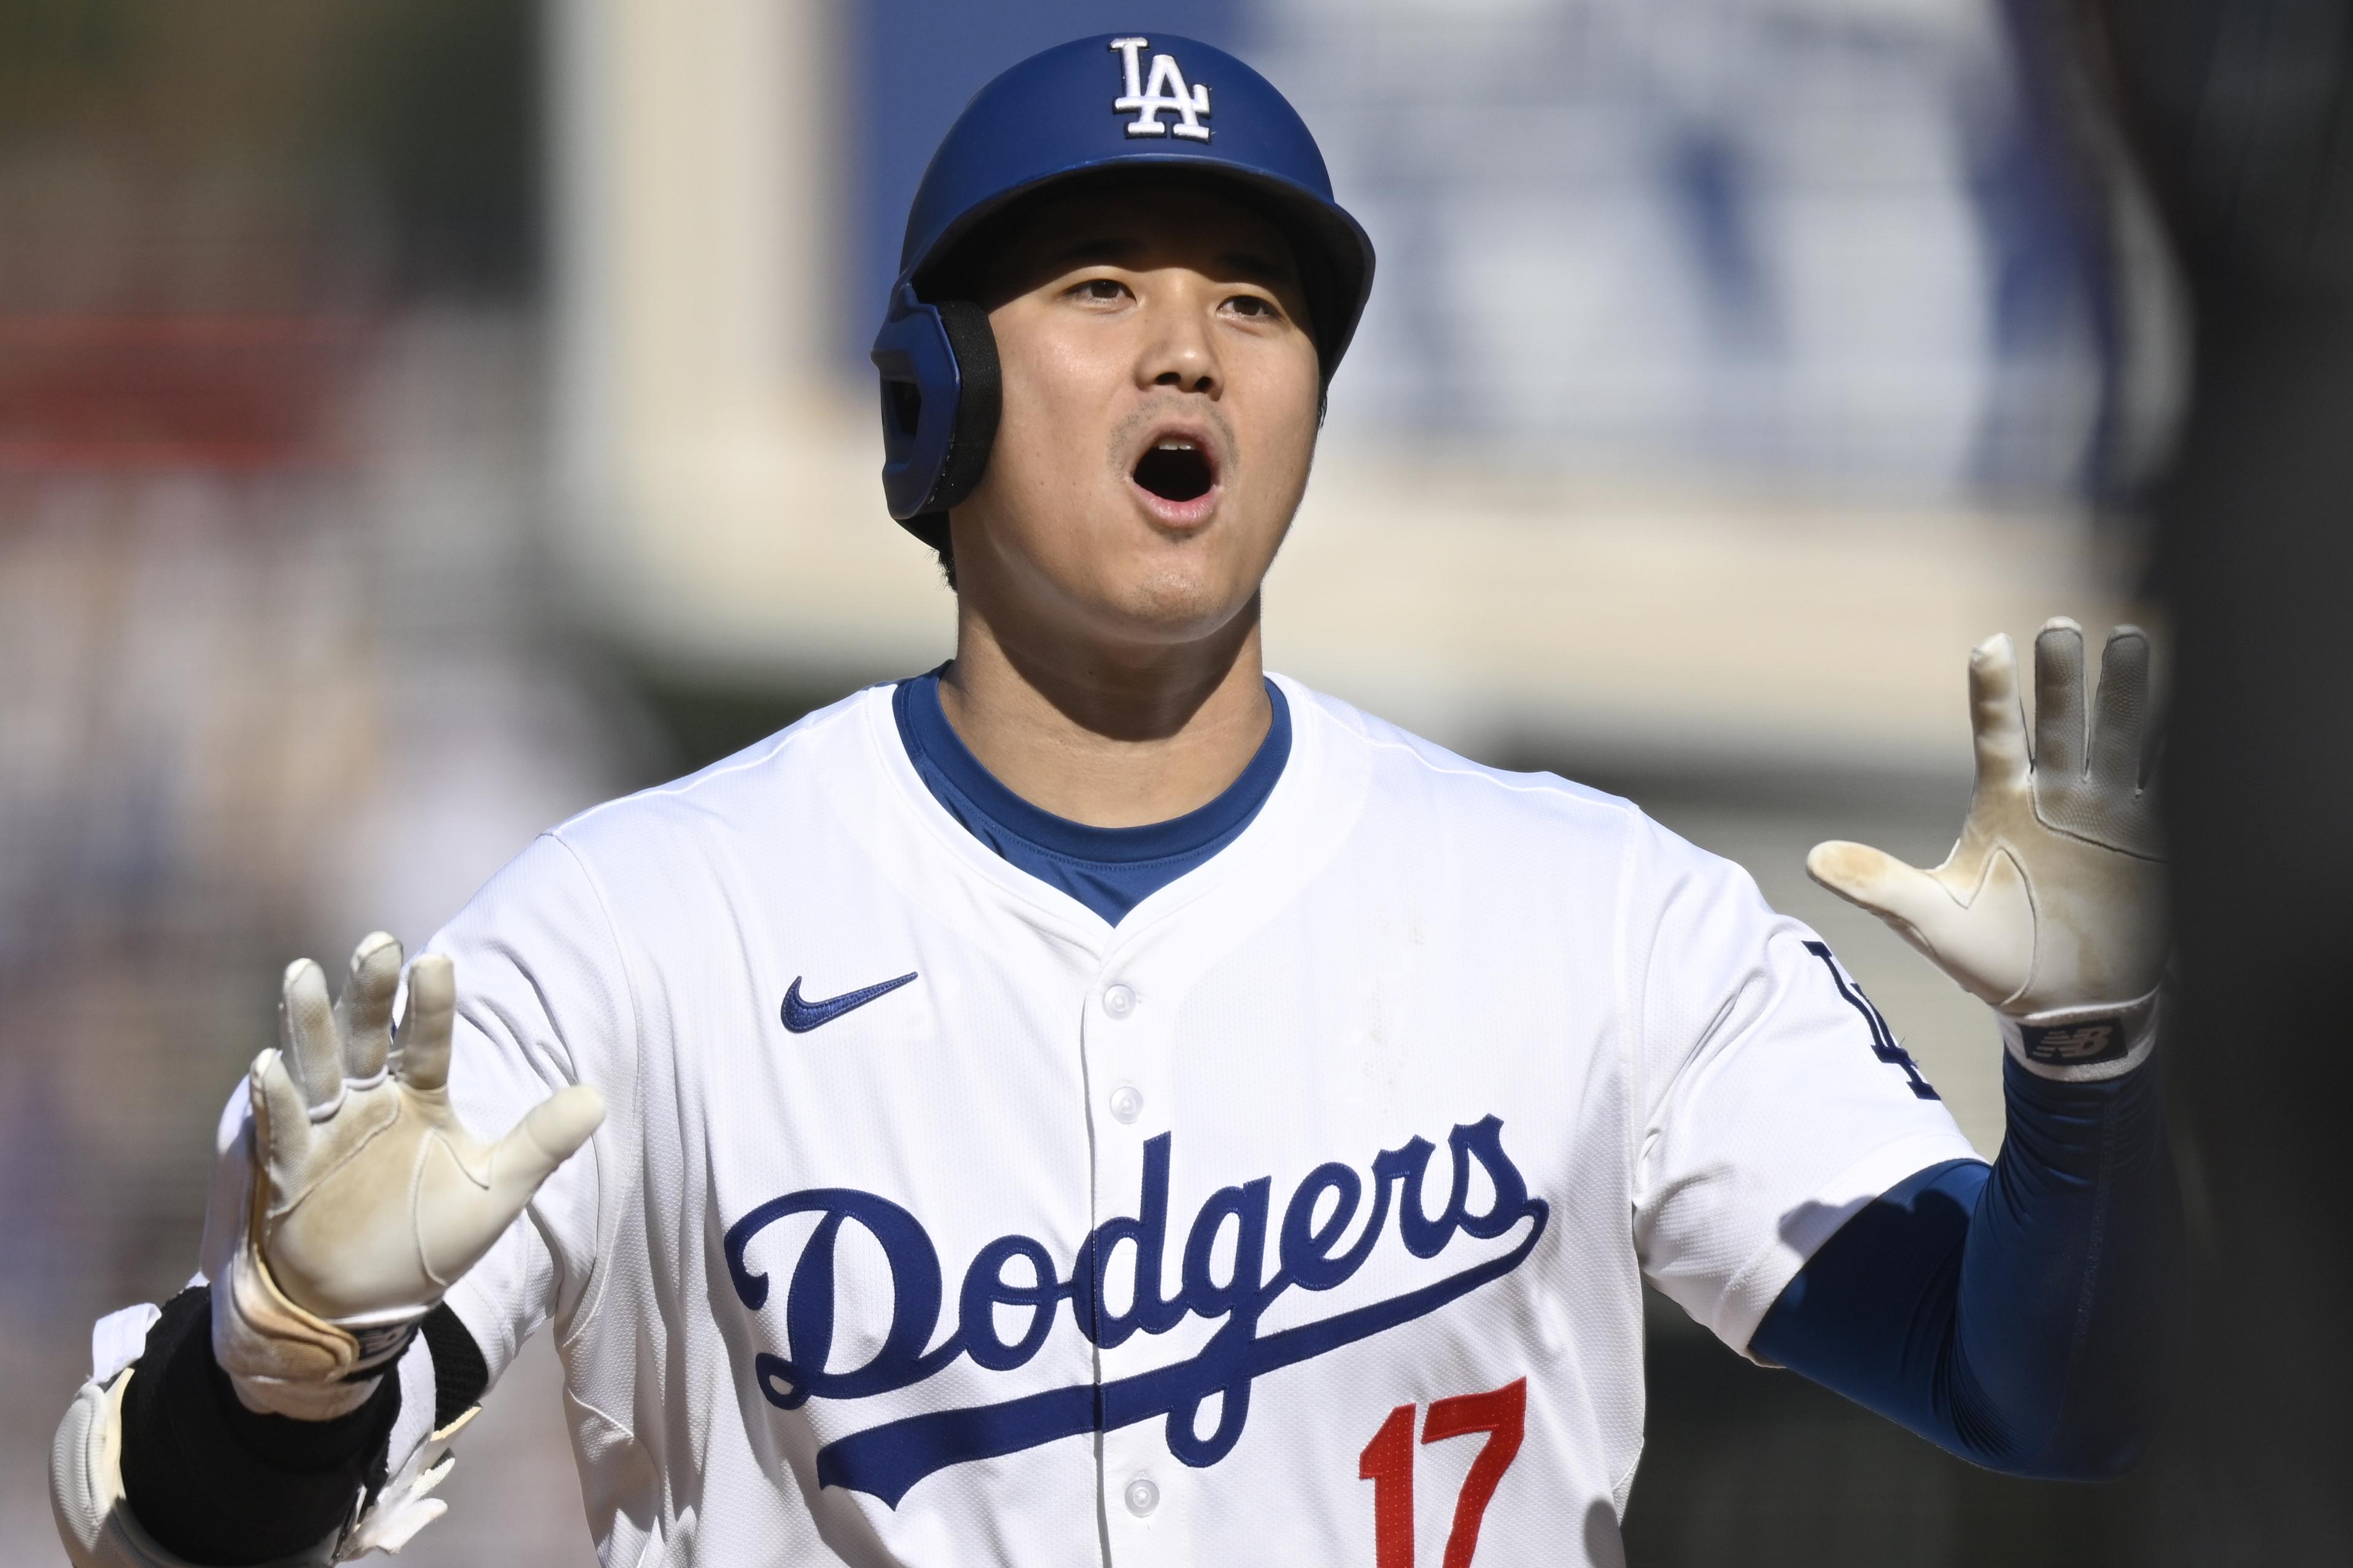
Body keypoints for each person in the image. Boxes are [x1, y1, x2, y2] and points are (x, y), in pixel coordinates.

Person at [52, 33, 2177, 1568]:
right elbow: (162, 1519)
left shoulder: (1598, 914)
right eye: (1099, 288)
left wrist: (2083, 1080)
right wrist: (291, 1342)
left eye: (1250, 304)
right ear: (935, 397)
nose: (1188, 353)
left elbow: (2052, 1391)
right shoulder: (636, 931)